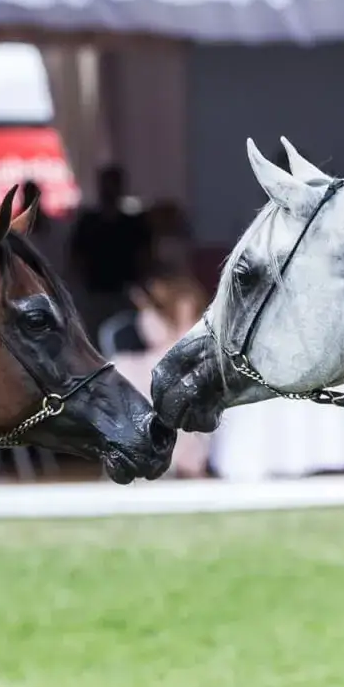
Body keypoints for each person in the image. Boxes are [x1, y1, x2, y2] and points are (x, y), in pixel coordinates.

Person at [113, 265, 211, 478]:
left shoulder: (184, 301)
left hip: (182, 359)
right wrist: (147, 308)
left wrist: (149, 310)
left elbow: (184, 340)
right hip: (156, 357)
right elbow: (154, 338)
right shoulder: (152, 309)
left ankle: (183, 458)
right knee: (121, 369)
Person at [69, 165, 152, 332]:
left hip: (126, 291)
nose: (109, 190)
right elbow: (76, 256)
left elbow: (145, 256)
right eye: (106, 185)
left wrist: (142, 286)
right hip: (94, 291)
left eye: (113, 185)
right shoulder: (88, 222)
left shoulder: (133, 223)